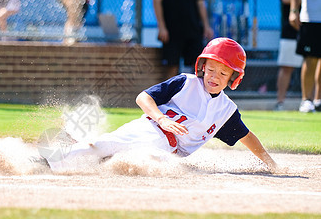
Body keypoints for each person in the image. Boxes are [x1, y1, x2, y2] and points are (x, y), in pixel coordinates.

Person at [40, 38, 278, 173]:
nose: (214, 76)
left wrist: (272, 165)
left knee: (154, 167)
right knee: (99, 145)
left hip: (167, 152)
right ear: (202, 66)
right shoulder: (185, 82)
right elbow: (143, 97)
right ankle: (45, 161)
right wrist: (162, 118)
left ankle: (80, 147)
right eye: (211, 68)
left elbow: (247, 137)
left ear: (233, 78)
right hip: (149, 129)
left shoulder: (225, 111)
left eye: (223, 72)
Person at [152, 0, 214, 80]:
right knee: (171, 66)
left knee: (198, 67)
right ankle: (169, 98)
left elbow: (201, 3)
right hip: (171, 32)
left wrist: (206, 26)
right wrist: (162, 27)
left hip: (193, 30)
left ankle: (197, 98)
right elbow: (156, 2)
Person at [289, 0, 321, 112]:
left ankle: (318, 100)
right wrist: (294, 10)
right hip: (312, 17)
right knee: (311, 58)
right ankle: (306, 100)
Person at [275, 0, 303, 111]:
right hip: (289, 28)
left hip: (309, 26)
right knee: (286, 67)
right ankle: (280, 102)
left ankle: (312, 101)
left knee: (312, 65)